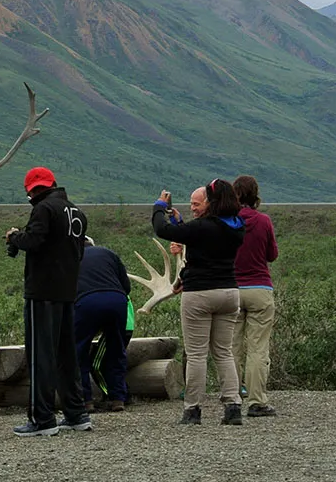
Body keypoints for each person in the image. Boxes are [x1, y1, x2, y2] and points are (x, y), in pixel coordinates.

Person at [5, 166, 90, 436]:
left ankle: (42, 419)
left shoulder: (43, 209)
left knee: (40, 355)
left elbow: (34, 240)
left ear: (32, 190)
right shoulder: (76, 211)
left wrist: (14, 237)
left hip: (42, 292)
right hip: (67, 291)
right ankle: (76, 413)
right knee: (66, 355)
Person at [152, 180, 245, 425]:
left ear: (211, 202)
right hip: (229, 292)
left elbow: (163, 230)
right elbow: (203, 249)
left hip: (200, 295)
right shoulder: (236, 227)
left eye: (198, 203)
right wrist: (183, 225)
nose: (194, 208)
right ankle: (233, 406)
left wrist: (159, 208)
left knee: (196, 355)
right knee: (223, 353)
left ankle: (192, 409)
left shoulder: (202, 227)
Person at [230, 174, 279, 418]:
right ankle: (257, 401)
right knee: (258, 349)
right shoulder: (263, 221)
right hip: (260, 288)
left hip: (231, 289)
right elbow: (272, 254)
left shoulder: (226, 221)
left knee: (232, 348)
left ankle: (233, 399)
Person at [75, 236, 132, 412]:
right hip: (117, 300)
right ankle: (118, 399)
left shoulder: (70, 257)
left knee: (79, 352)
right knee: (116, 350)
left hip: (86, 302)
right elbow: (126, 286)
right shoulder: (108, 253)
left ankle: (86, 401)